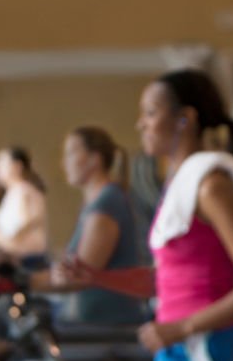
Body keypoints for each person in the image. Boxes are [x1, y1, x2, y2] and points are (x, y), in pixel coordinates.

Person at [61, 69, 233, 361]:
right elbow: (165, 280)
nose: (141, 124)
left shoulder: (210, 186)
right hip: (177, 344)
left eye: (150, 113)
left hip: (205, 348)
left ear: (185, 119)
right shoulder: (180, 185)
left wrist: (181, 328)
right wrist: (97, 277)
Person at [32, 127, 150, 325]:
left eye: (71, 153)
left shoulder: (107, 201)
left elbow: (82, 275)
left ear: (95, 159)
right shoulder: (94, 203)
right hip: (92, 319)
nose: (64, 162)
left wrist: (27, 281)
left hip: (108, 325)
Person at [0, 146, 48, 270]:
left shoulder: (25, 191)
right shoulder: (13, 192)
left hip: (28, 260)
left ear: (17, 166)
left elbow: (17, 233)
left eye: (2, 163)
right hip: (20, 258)